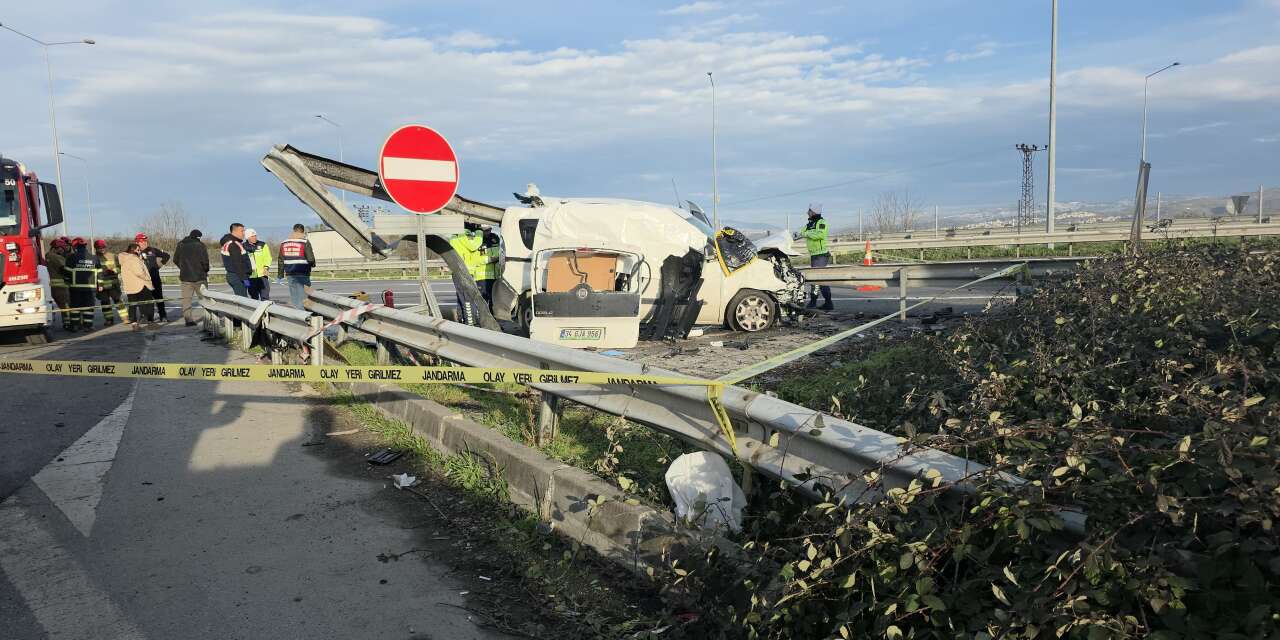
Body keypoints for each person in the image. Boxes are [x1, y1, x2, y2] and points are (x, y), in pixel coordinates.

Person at [448, 223, 486, 325]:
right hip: (465, 271)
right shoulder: (464, 234)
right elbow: (474, 246)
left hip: (456, 271)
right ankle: (470, 323)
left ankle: (462, 320)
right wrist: (479, 232)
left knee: (461, 297)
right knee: (468, 299)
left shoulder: (454, 236)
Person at [799, 204, 834, 311]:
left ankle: (815, 302)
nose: (807, 212)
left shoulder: (822, 223)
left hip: (821, 254)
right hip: (814, 255)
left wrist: (807, 233)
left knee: (818, 279)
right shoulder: (810, 224)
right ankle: (827, 303)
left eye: (809, 210)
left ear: (814, 211)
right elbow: (801, 232)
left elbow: (820, 235)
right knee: (819, 279)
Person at [174, 229, 210, 326]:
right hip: (200, 277)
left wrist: (182, 267)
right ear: (198, 237)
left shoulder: (180, 244)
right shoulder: (201, 245)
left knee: (186, 300)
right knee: (204, 299)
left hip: (185, 277)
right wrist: (205, 270)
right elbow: (205, 261)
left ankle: (188, 320)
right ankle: (208, 320)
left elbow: (175, 259)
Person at [118, 243, 157, 330]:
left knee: (132, 305)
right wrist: (147, 278)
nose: (140, 251)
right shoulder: (133, 259)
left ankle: (134, 323)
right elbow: (139, 272)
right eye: (138, 250)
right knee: (148, 303)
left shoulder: (123, 258)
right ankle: (150, 322)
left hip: (130, 286)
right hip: (140, 284)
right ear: (133, 250)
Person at [277, 224, 316, 308]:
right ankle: (305, 316)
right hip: (303, 273)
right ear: (303, 231)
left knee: (295, 297)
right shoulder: (304, 242)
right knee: (304, 297)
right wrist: (313, 265)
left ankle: (298, 315)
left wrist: (280, 275)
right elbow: (311, 259)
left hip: (290, 274)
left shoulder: (284, 243)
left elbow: (281, 260)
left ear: (294, 231)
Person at [66, 237, 100, 331]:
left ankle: (75, 326)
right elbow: (100, 273)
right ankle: (88, 326)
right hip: (91, 288)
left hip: (75, 288)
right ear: (85, 246)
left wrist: (67, 282)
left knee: (75, 307)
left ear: (75, 247)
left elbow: (67, 272)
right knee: (88, 308)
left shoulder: (72, 257)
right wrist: (100, 285)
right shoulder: (94, 258)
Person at [136, 233, 171, 321]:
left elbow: (166, 256)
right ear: (137, 242)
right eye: (142, 241)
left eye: (145, 241)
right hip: (143, 280)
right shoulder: (135, 252)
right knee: (145, 299)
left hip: (155, 278)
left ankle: (163, 316)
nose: (144, 243)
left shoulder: (152, 250)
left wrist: (159, 265)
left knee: (159, 297)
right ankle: (147, 316)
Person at [93, 240, 127, 327]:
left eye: (103, 247)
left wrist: (113, 271)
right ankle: (109, 320)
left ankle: (125, 318)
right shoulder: (94, 258)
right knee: (105, 303)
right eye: (99, 248)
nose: (101, 249)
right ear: (96, 248)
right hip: (101, 285)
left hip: (113, 283)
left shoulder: (113, 256)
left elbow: (120, 268)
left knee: (118, 301)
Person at [45, 238, 73, 331]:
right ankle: (68, 324)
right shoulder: (56, 257)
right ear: (57, 248)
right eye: (62, 248)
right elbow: (64, 269)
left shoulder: (47, 255)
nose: (63, 250)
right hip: (60, 286)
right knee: (66, 305)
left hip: (52, 286)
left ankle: (67, 322)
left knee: (63, 306)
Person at [219, 223, 252, 297]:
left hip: (236, 275)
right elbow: (237, 263)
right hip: (237, 276)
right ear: (234, 231)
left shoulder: (232, 242)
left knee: (241, 299)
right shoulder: (233, 244)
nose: (244, 233)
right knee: (243, 300)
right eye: (242, 231)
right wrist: (244, 278)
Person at [243, 228, 272, 300]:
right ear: (247, 237)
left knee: (265, 296)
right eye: (252, 236)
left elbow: (268, 257)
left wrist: (266, 267)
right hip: (250, 277)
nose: (254, 237)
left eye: (255, 236)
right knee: (254, 297)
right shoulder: (243, 246)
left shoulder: (262, 244)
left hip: (262, 275)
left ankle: (265, 310)